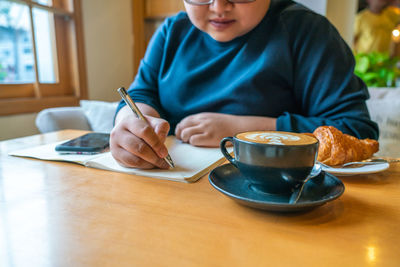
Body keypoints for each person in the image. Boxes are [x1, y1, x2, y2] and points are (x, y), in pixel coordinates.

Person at [110, 0, 379, 169]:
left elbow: (356, 131)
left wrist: (242, 131)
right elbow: (141, 94)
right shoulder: (172, 32)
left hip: (278, 199)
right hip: (170, 194)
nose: (218, 6)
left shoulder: (307, 32)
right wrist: (132, 122)